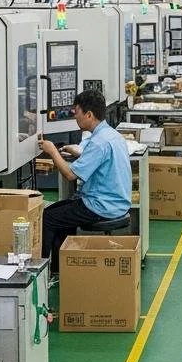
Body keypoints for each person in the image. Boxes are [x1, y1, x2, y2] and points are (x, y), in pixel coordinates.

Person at [38, 88, 133, 260]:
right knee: (57, 212)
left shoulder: (98, 142)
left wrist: (52, 151)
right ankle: (62, 266)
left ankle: (43, 269)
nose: (75, 116)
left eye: (77, 112)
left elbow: (70, 175)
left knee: (47, 218)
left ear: (89, 114)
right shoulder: (112, 135)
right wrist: (78, 153)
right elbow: (100, 159)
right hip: (117, 201)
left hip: (102, 205)